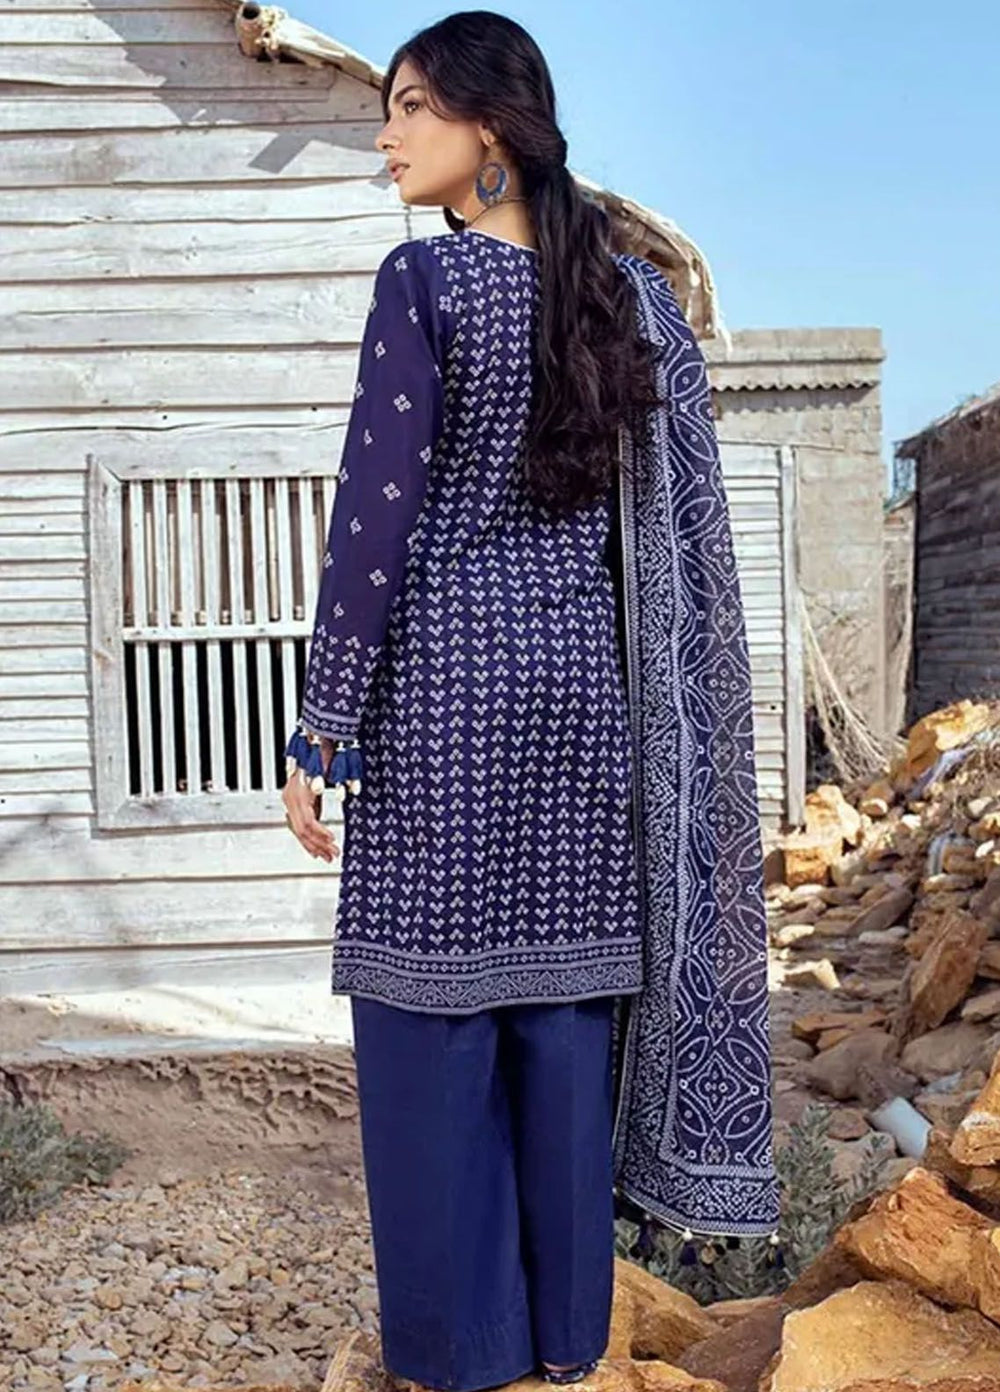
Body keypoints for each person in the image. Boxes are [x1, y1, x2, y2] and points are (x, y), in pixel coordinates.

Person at [282, 12, 782, 1392]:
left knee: (433, 1027)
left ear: (489, 129)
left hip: (444, 701)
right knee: (561, 1018)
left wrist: (323, 728)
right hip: (583, 702)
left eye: (409, 107)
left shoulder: (426, 283)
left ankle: (463, 1349)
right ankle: (570, 1340)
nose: (385, 134)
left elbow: (373, 524)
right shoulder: (624, 300)